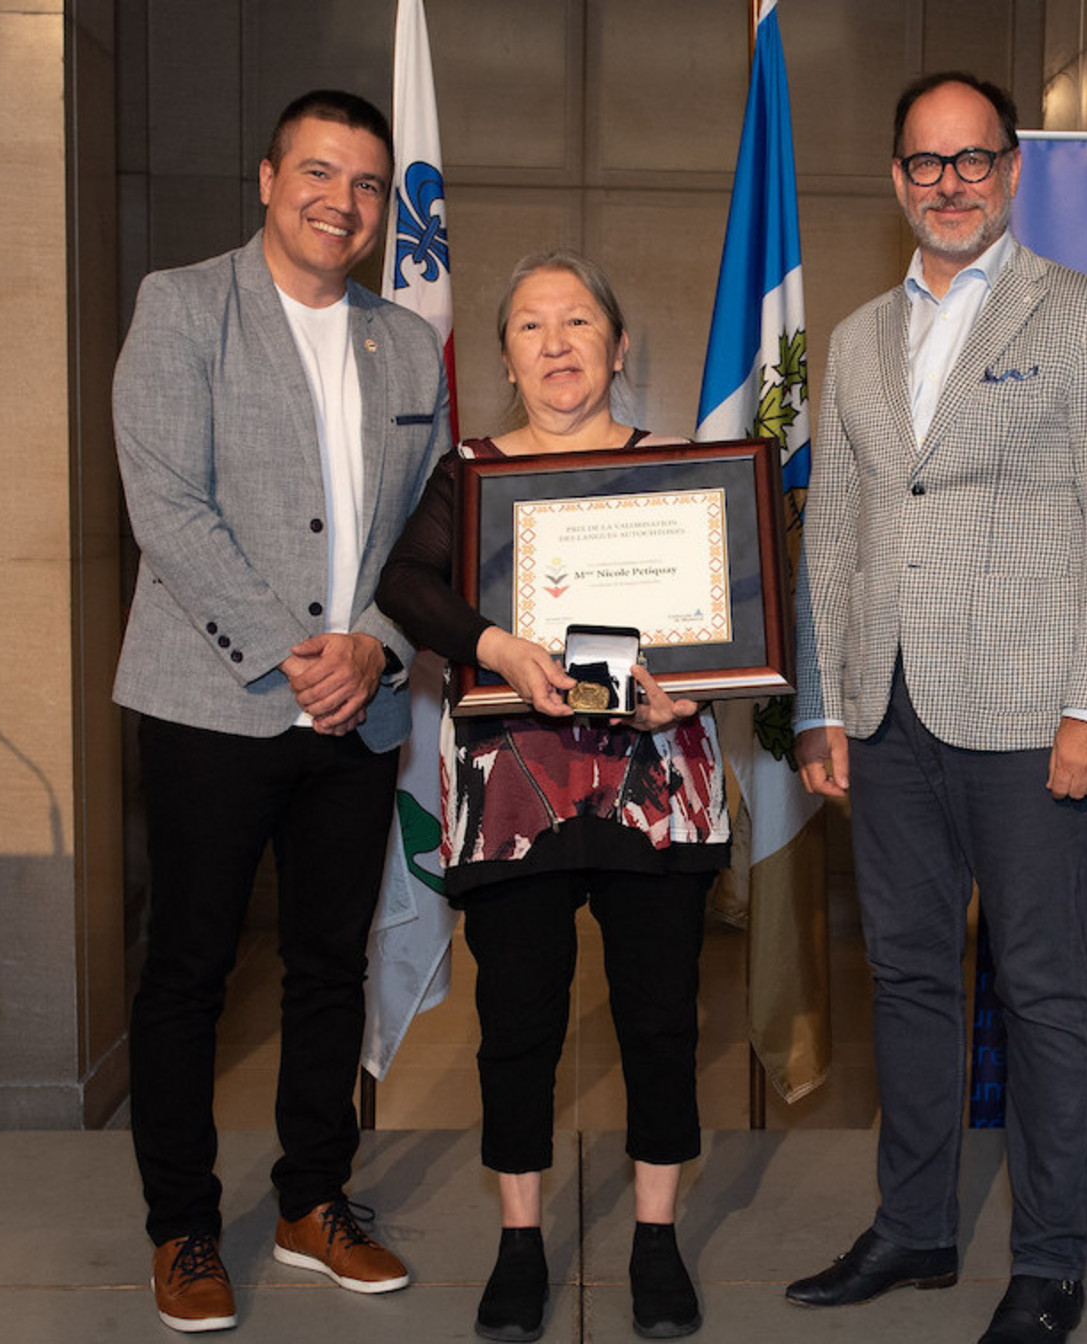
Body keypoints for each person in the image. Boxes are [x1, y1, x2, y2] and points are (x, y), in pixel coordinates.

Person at [782, 73, 1087, 1344]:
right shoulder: (848, 341)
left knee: (1042, 991)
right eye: (924, 163)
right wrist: (822, 705)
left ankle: (1048, 1264)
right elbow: (831, 531)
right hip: (885, 713)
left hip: (1031, 717)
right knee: (904, 979)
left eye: (973, 160)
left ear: (1011, 171)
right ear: (896, 180)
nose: (948, 183)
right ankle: (914, 1230)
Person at [111, 88, 449, 1334]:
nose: (341, 203)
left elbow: (432, 531)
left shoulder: (408, 345)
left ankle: (313, 1201)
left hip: (359, 710)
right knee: (189, 972)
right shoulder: (183, 307)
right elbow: (166, 506)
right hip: (213, 701)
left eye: (365, 186)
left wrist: (377, 645)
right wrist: (287, 651)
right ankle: (182, 1228)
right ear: (266, 179)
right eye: (317, 173)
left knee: (329, 964)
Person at [378, 250, 728, 1343]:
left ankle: (657, 1240)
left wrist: (698, 687)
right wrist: (491, 642)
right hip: (511, 787)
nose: (557, 343)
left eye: (578, 321)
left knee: (659, 1020)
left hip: (654, 783)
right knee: (515, 1024)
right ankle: (520, 1242)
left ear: (618, 348)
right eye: (530, 326)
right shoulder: (470, 475)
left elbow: (740, 612)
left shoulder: (682, 468)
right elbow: (404, 585)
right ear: (503, 358)